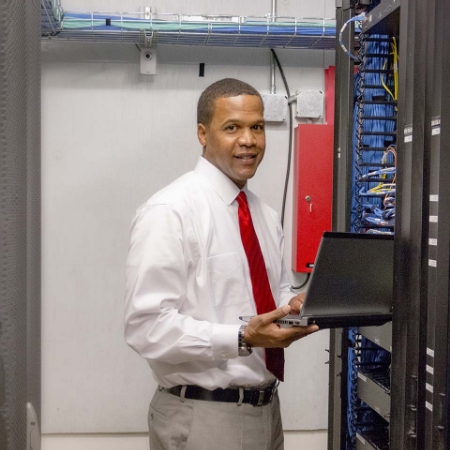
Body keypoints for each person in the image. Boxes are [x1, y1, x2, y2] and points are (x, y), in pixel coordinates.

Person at [124, 78, 319, 450]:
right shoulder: (171, 212)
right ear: (202, 133)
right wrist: (241, 337)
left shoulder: (264, 215)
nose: (249, 140)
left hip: (268, 411)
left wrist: (292, 306)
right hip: (202, 418)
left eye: (257, 127)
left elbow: (270, 292)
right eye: (232, 128)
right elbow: (145, 326)